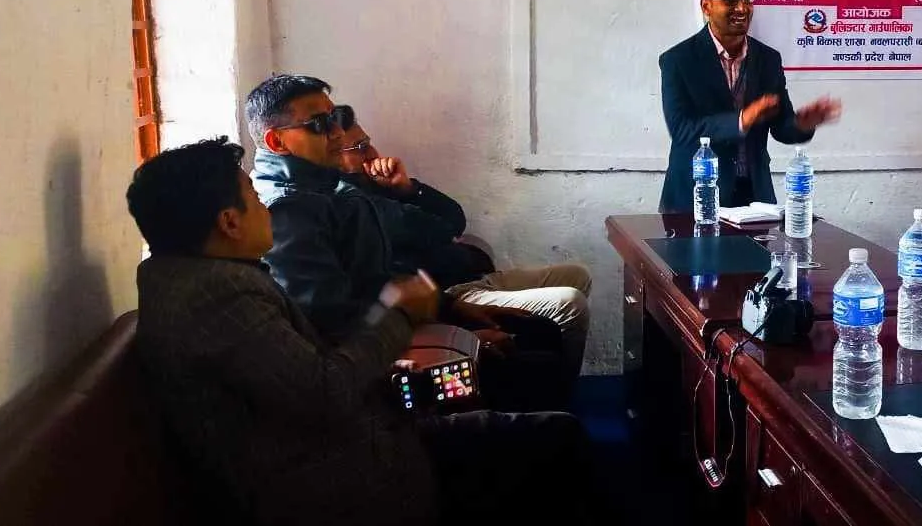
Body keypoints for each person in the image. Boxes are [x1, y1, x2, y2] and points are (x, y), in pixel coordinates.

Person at [126, 137, 594, 526]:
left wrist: (399, 367)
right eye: (252, 199)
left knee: (518, 377)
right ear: (229, 222)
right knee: (555, 436)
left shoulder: (196, 276)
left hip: (347, 438)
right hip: (335, 485)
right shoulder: (219, 296)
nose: (264, 208)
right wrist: (400, 314)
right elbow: (325, 392)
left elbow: (300, 374)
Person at [245, 74, 568, 410]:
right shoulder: (287, 210)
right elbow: (332, 321)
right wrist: (453, 335)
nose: (338, 132)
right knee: (537, 375)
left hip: (400, 326)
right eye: (320, 124)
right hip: (382, 371)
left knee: (539, 332)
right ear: (277, 141)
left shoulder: (328, 188)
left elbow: (384, 272)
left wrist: (451, 307)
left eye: (334, 118)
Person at [336, 119, 593, 381]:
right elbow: (443, 229)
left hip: (472, 277)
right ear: (334, 155)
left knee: (578, 275)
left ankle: (556, 381)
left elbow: (455, 217)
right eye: (359, 147)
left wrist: (408, 189)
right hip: (451, 294)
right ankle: (562, 389)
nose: (372, 153)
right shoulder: (355, 205)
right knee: (571, 304)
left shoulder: (380, 186)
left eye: (368, 142)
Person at [658, 0, 843, 213]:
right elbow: (682, 130)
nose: (742, 8)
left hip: (754, 197)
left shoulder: (767, 59)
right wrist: (742, 120)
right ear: (706, 6)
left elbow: (781, 127)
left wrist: (802, 124)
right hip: (696, 197)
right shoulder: (678, 61)